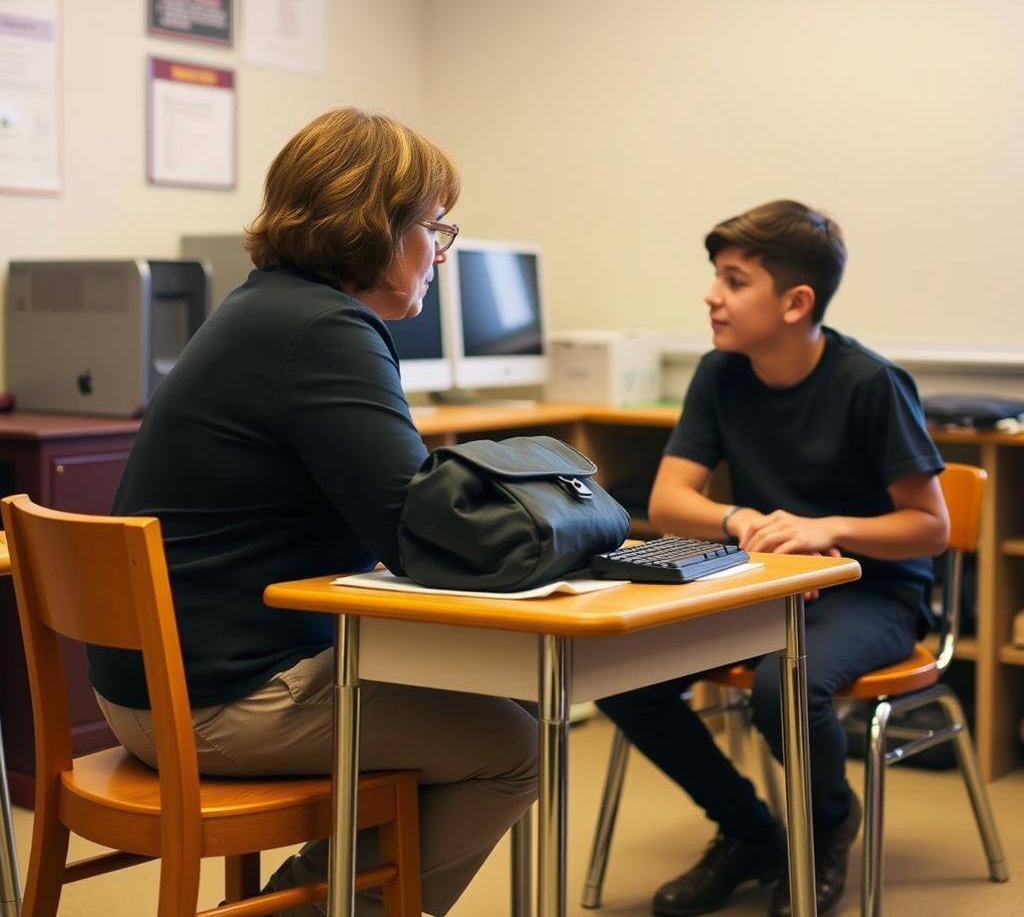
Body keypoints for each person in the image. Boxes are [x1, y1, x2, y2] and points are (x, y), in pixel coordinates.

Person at [86, 107, 538, 916]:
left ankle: (314, 900)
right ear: (377, 226)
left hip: (152, 687)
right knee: (513, 746)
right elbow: (416, 532)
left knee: (502, 699)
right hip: (215, 701)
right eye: (434, 227)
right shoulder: (328, 330)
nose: (440, 251)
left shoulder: (266, 306)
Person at [597, 200, 949, 917]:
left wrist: (830, 530)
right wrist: (741, 518)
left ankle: (825, 827)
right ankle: (752, 831)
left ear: (796, 302)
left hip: (873, 591)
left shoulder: (871, 383)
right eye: (715, 278)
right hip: (769, 583)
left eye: (733, 280)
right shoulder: (719, 374)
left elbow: (929, 526)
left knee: (780, 687)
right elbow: (669, 499)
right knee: (623, 678)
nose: (711, 296)